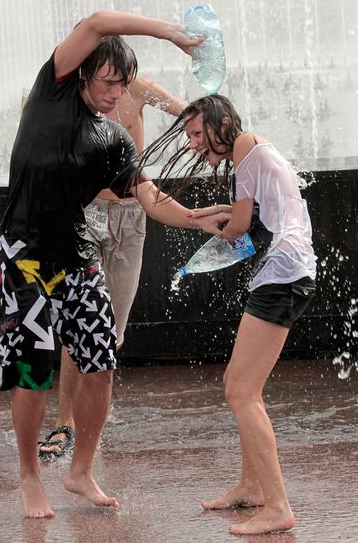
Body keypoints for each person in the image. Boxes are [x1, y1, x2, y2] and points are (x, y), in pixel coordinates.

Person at [0, 10, 204, 519]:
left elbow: (148, 198)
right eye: (109, 82)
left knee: (101, 363)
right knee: (33, 369)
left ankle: (80, 470)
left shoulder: (114, 140)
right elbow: (98, 22)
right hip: (25, 254)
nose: (117, 95)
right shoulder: (53, 91)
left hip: (77, 255)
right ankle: (28, 475)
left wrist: (199, 219)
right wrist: (170, 33)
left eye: (124, 85)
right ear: (85, 74)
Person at [137, 94, 317, 536]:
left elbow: (238, 229)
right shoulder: (253, 150)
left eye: (198, 133)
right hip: (286, 270)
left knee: (241, 391)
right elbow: (247, 218)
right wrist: (206, 216)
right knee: (242, 388)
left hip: (283, 273)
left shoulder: (246, 150)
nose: (194, 144)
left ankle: (277, 506)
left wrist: (202, 220)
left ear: (221, 122)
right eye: (189, 136)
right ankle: (252, 487)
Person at [38, 76, 187, 458]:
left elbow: (185, 111)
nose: (112, 87)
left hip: (131, 215)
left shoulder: (137, 88)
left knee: (111, 331)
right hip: (84, 212)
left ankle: (92, 416)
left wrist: (225, 133)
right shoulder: (72, 97)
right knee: (80, 319)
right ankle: (65, 423)